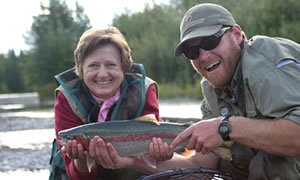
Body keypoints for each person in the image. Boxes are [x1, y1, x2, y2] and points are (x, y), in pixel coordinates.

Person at [167, 3, 300, 179]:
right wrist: (137, 161)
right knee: (229, 159)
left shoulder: (266, 67)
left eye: (210, 41)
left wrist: (225, 127)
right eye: (192, 51)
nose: (204, 56)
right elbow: (201, 166)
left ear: (237, 35)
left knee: (271, 163)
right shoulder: (211, 90)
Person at [49, 27, 170, 180]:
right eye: (93, 65)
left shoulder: (144, 90)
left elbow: (156, 159)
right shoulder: (66, 99)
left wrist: (160, 155)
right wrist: (80, 159)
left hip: (133, 168)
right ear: (81, 69)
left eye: (111, 65)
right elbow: (76, 176)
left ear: (124, 67)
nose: (102, 74)